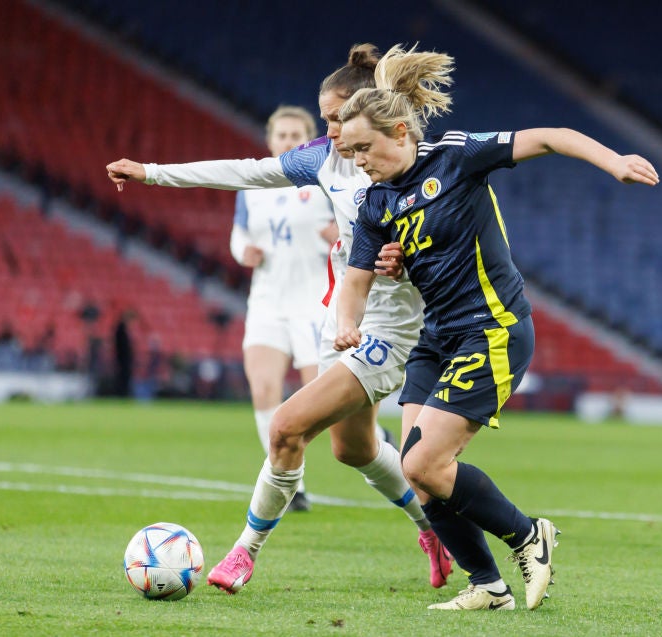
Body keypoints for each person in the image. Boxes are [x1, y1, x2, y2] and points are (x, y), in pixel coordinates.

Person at [105, 44, 453, 593]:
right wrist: (151, 172)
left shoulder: (416, 163)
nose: (331, 130)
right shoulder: (323, 159)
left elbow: (453, 238)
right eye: (327, 119)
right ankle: (433, 529)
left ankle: (244, 553)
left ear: (374, 115)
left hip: (389, 333)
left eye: (339, 119)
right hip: (337, 320)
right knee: (353, 449)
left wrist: (407, 258)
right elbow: (247, 171)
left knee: (286, 428)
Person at [335, 45, 660, 611]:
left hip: (493, 329)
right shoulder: (374, 203)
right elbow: (355, 279)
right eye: (351, 150)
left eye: (365, 147)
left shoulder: (457, 157)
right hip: (436, 338)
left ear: (401, 131)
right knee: (421, 477)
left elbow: (553, 134)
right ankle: (488, 587)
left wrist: (615, 162)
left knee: (421, 462)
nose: (358, 159)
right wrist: (347, 325)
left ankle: (528, 534)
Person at [229, 105, 338, 512]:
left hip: (315, 303)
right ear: (270, 139)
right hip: (268, 303)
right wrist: (245, 252)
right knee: (263, 390)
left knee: (321, 402)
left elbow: (358, 227)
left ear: (310, 140)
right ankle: (291, 483)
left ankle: (374, 436)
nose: (288, 142)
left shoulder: (327, 179)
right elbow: (237, 236)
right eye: (282, 135)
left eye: (297, 136)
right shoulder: (254, 185)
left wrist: (339, 234)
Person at [113, 308, 137, 398]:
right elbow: (122, 345)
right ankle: (122, 394)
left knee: (124, 377)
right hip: (122, 358)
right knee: (123, 377)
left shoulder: (121, 328)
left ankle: (124, 393)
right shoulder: (121, 328)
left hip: (123, 358)